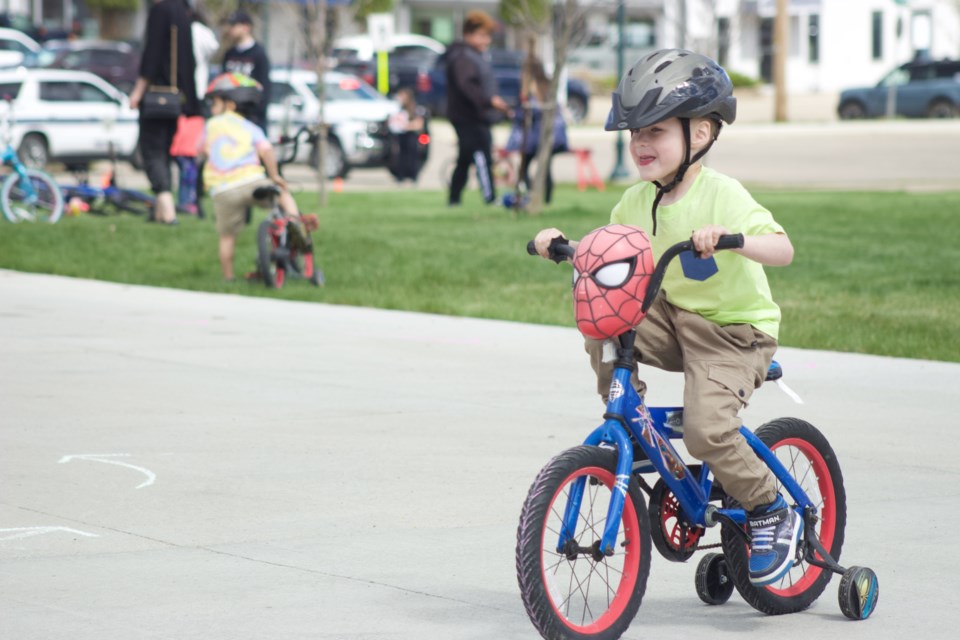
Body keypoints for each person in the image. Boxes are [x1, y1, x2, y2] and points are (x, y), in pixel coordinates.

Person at [533, 49, 798, 588]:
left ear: (700, 133)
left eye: (654, 131)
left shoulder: (721, 193)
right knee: (601, 310)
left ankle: (771, 507)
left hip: (734, 332)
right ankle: (624, 408)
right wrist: (564, 246)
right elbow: (613, 255)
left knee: (705, 430)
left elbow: (783, 248)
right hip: (675, 320)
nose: (640, 145)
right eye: (635, 134)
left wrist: (732, 240)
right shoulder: (634, 201)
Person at [197, 73, 316, 282]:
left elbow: (201, 151)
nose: (212, 108)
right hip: (251, 181)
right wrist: (275, 175)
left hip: (223, 190)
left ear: (230, 104)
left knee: (227, 237)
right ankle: (296, 223)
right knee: (282, 192)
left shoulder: (210, 126)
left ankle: (228, 277)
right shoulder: (251, 128)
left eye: (215, 103)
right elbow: (267, 151)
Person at [129, 0, 199, 225]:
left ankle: (167, 209)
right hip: (176, 98)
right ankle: (160, 211)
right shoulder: (182, 11)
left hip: (156, 97)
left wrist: (138, 92)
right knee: (164, 151)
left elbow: (152, 56)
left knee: (151, 150)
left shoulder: (160, 11)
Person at [445, 9, 512, 206]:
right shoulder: (464, 57)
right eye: (482, 35)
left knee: (465, 159)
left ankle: (454, 199)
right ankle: (490, 197)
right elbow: (467, 86)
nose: (487, 41)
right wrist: (490, 101)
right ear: (468, 34)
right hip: (469, 118)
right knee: (481, 154)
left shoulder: (473, 55)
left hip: (474, 117)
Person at [169, 4, 219, 216]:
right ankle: (188, 200)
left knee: (186, 156)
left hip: (188, 101)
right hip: (192, 101)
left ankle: (189, 200)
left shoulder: (190, 30)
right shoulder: (199, 31)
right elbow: (214, 48)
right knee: (187, 157)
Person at [504, 59, 568, 204]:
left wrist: (516, 113)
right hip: (546, 136)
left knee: (527, 168)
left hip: (536, 137)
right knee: (544, 168)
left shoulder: (533, 88)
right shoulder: (546, 86)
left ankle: (534, 195)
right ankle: (544, 199)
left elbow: (531, 112)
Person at [220, 10, 271, 132]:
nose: (231, 29)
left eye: (234, 25)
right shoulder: (229, 54)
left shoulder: (258, 54)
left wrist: (256, 114)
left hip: (251, 117)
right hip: (230, 115)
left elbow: (264, 86)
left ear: (246, 27)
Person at [387, 87, 427, 184]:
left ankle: (413, 176)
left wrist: (406, 126)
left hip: (411, 136)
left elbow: (419, 124)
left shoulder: (415, 108)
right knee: (401, 156)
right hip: (401, 136)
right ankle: (400, 175)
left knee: (412, 156)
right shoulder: (398, 108)